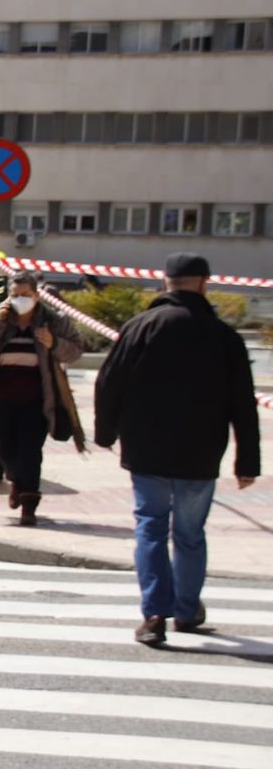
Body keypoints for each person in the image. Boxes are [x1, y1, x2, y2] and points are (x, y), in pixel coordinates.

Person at [93, 253, 260, 647]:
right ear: (204, 283)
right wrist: (247, 460)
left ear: (164, 283)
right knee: (189, 534)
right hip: (200, 455)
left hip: (147, 450)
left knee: (150, 527)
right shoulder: (224, 336)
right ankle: (186, 610)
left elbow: (108, 382)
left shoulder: (141, 326)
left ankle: (153, 614)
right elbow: (242, 402)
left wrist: (105, 433)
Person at [0, 271, 83, 526]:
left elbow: (75, 350)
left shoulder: (53, 321)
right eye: (15, 295)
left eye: (25, 295)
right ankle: (16, 479)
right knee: (5, 446)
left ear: (36, 295)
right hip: (3, 397)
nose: (20, 300)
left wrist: (53, 343)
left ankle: (29, 504)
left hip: (38, 399)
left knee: (31, 450)